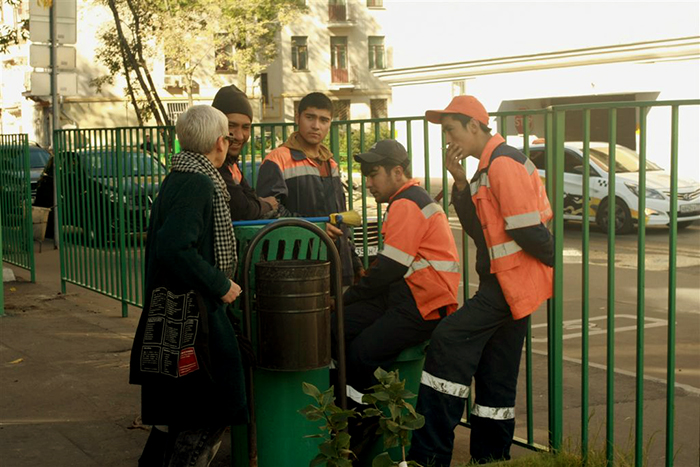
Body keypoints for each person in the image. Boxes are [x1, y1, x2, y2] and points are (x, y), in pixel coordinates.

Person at [408, 96, 554, 466]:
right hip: (509, 286)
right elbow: (479, 230)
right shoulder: (487, 167)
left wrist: (550, 263)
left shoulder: (502, 164)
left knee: (447, 339)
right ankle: (491, 458)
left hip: (507, 286)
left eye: (451, 130)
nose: (448, 139)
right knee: (497, 374)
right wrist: (459, 183)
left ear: (474, 125)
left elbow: (527, 229)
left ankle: (430, 456)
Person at [129, 105, 247, 466]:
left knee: (176, 417)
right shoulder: (197, 182)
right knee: (209, 413)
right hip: (194, 317)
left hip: (178, 314)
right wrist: (220, 283)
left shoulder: (180, 175)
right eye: (228, 135)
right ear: (218, 142)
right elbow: (175, 247)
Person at [338, 139, 461, 402]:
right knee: (338, 325)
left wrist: (345, 298)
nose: (369, 184)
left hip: (423, 304)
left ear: (396, 172)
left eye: (373, 175)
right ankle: (347, 402)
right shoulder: (407, 200)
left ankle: (362, 423)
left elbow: (388, 269)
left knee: (360, 352)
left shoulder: (407, 202)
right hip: (408, 296)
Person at [255, 92, 360, 285]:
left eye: (324, 120)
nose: (316, 126)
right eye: (310, 117)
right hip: (297, 268)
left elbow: (342, 219)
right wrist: (316, 228)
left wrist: (353, 261)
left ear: (330, 124)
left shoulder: (331, 163)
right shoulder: (277, 159)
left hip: (336, 265)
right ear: (297, 118)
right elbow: (267, 213)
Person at [211, 84, 278, 220]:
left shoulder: (231, 164)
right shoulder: (213, 165)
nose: (240, 136)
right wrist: (266, 205)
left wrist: (259, 204)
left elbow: (250, 198)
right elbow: (242, 209)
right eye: (231, 126)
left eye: (245, 127)